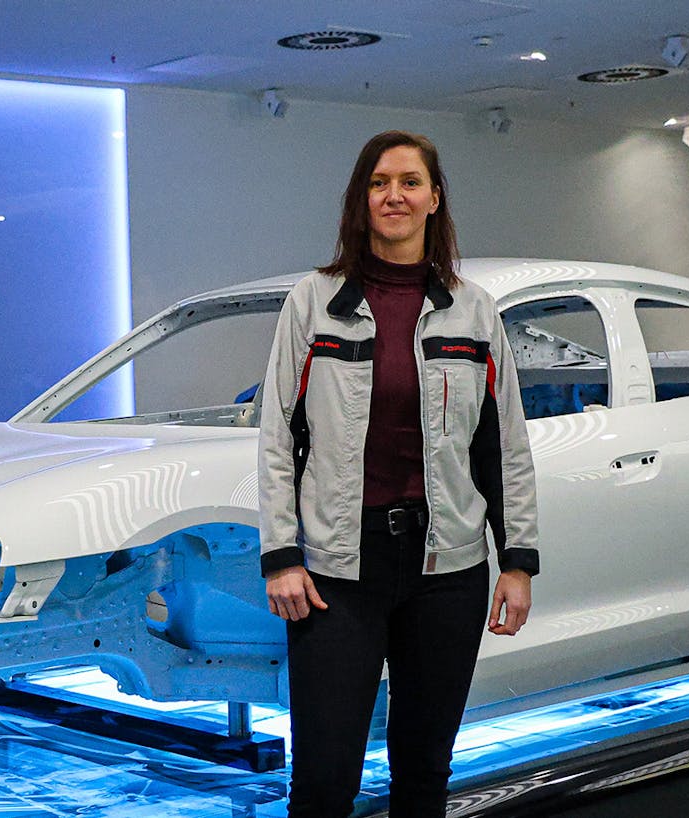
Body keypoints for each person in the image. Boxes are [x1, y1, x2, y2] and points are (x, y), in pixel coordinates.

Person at [257, 130, 539, 818]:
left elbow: (502, 443)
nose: (395, 195)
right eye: (380, 183)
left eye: (411, 182)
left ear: (434, 199)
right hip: (336, 571)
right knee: (324, 780)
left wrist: (519, 560)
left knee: (423, 773)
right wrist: (281, 556)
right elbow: (275, 437)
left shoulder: (473, 310)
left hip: (448, 570)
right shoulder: (313, 301)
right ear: (362, 200)